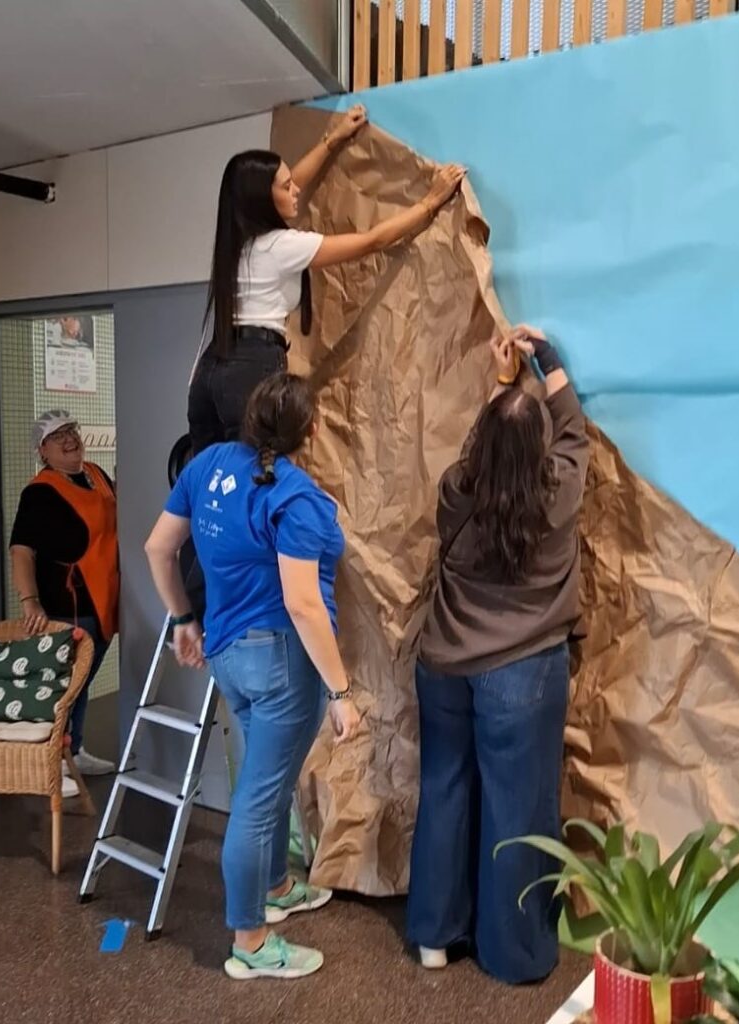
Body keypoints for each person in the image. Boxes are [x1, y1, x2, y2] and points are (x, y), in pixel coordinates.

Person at [145, 373, 361, 981]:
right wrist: (341, 691)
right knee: (259, 801)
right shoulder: (296, 498)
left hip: (228, 654)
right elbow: (303, 603)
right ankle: (250, 940)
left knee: (270, 777)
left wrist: (183, 619)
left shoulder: (208, 465)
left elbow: (158, 548)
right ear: (310, 431)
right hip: (280, 662)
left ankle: (276, 886)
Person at [406, 328, 590, 984]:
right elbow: (575, 431)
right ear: (540, 451)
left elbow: (482, 449)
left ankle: (434, 938)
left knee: (444, 792)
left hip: (442, 666)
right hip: (522, 674)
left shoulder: (458, 489)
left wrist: (503, 381)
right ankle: (514, 956)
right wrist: (549, 359)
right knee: (518, 809)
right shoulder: (559, 491)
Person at [186, 103, 466, 454]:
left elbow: (294, 183)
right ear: (264, 199)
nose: (296, 189)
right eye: (286, 186)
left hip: (211, 369)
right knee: (255, 475)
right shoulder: (281, 246)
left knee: (207, 479)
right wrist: (431, 201)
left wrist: (333, 139)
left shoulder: (235, 238)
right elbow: (372, 241)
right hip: (251, 368)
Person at [10, 411, 119, 797]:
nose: (69, 439)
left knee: (81, 681)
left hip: (104, 599)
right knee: (63, 687)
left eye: (71, 430)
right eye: (57, 436)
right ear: (42, 450)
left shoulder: (96, 474)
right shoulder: (39, 493)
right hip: (66, 605)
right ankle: (51, 762)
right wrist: (30, 601)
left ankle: (76, 749)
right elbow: (22, 550)